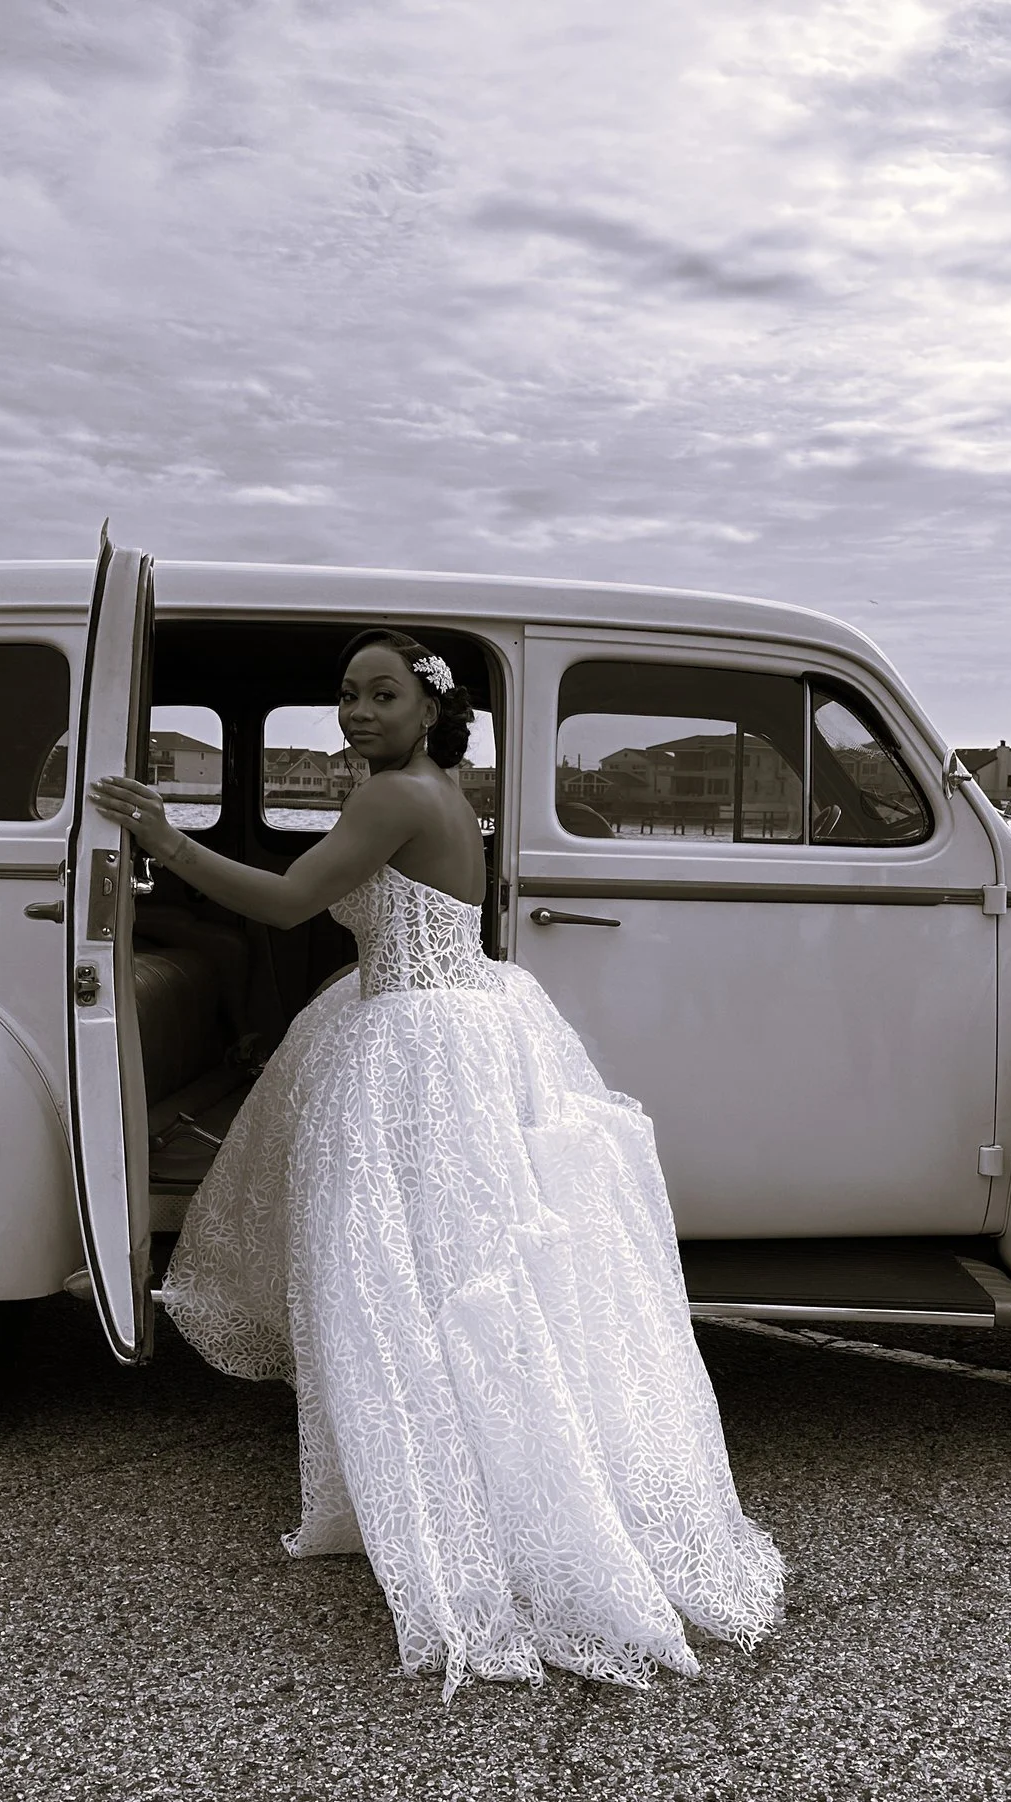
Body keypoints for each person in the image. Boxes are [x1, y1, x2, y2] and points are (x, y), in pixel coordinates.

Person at [89, 632, 781, 1696]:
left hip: (417, 1036)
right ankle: (478, 1477)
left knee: (405, 1272)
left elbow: (283, 905)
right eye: (346, 694)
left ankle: (450, 1494)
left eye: (382, 695)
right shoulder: (439, 790)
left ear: (428, 707)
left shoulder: (391, 801)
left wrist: (164, 843)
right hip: (470, 1019)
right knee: (462, 1268)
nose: (357, 712)